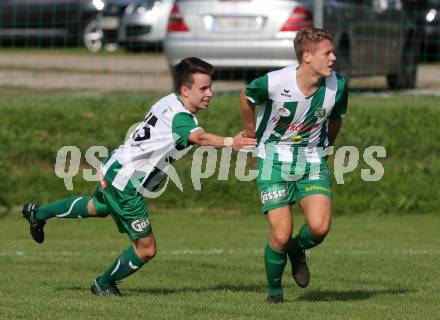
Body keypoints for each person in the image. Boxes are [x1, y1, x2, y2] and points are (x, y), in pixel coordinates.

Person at [22, 57, 257, 296]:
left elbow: (150, 118)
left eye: (210, 87)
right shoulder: (183, 118)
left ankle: (37, 213)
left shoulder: (168, 101)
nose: (210, 93)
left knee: (97, 206)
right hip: (126, 184)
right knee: (146, 249)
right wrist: (232, 142)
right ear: (185, 90)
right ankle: (103, 284)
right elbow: (201, 138)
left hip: (116, 166)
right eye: (203, 88)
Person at [239, 27, 348, 304]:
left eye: (333, 52)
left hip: (311, 160)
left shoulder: (339, 86)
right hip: (273, 160)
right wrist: (251, 133)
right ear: (307, 56)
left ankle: (296, 250)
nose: (333, 58)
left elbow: (336, 118)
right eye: (327, 53)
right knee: (281, 231)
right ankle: (275, 292)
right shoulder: (275, 82)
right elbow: (246, 96)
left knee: (319, 228)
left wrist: (327, 148)